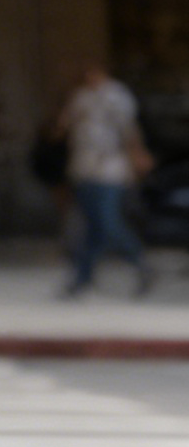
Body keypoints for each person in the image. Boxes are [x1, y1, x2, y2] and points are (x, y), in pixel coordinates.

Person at [55, 62, 153, 298]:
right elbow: (64, 128)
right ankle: (82, 279)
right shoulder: (80, 97)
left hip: (109, 168)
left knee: (108, 223)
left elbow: (128, 130)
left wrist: (137, 156)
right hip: (83, 168)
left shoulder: (117, 96)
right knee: (92, 227)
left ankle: (140, 262)